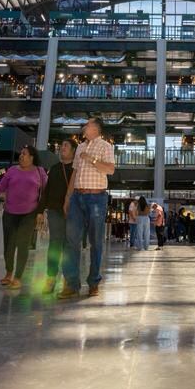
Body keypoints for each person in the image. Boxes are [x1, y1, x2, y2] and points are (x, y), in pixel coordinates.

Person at [60, 116, 115, 298]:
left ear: (96, 128)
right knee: (71, 240)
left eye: (88, 124)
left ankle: (93, 282)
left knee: (96, 241)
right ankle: (71, 284)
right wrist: (68, 197)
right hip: (77, 196)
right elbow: (75, 173)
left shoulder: (106, 146)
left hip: (96, 197)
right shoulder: (80, 147)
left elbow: (110, 169)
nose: (84, 126)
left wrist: (92, 159)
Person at [0, 144, 47, 289]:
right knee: (9, 244)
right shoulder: (12, 170)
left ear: (32, 157)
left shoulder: (39, 172)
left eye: (24, 154)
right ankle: (8, 272)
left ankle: (18, 277)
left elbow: (46, 191)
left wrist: (41, 211)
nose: (21, 156)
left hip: (29, 213)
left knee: (23, 245)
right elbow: (1, 187)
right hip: (10, 212)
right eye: (21, 153)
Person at [41, 139, 76, 294]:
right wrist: (40, 210)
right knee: (55, 243)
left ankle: (68, 279)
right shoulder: (54, 168)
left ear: (73, 151)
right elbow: (47, 190)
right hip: (55, 210)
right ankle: (51, 277)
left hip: (73, 212)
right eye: (61, 146)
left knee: (69, 245)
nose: (62, 148)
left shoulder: (77, 169)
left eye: (66, 145)